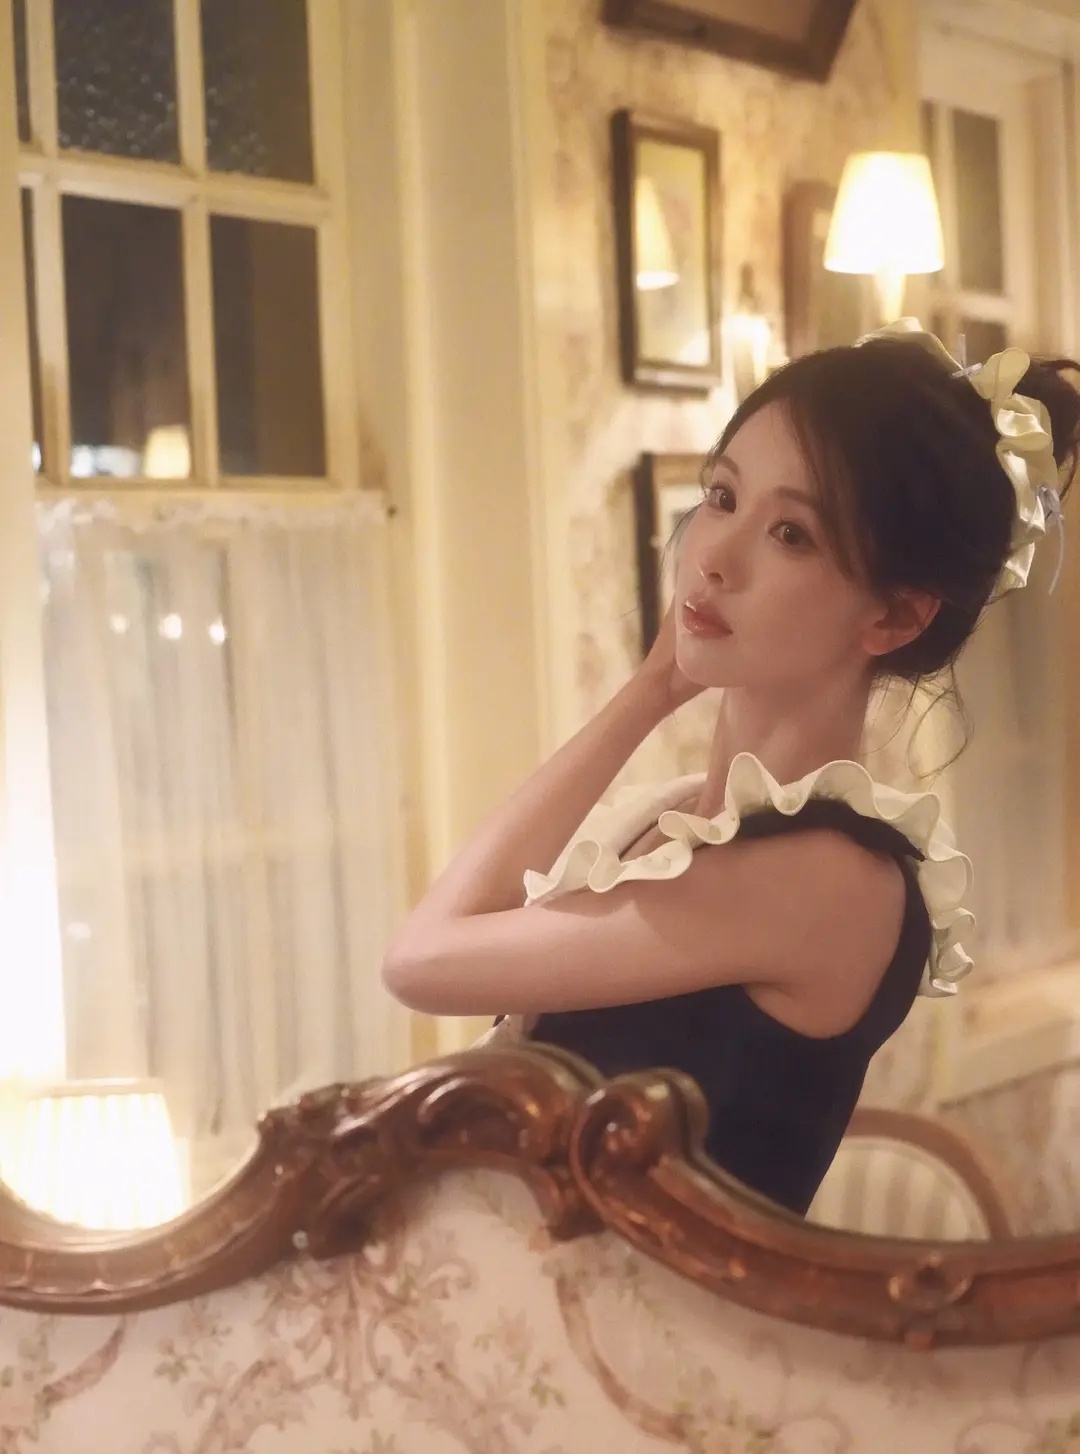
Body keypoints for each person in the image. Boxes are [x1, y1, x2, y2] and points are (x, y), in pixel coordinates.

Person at [381, 321, 1080, 1216]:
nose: (711, 556)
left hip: (651, 1313)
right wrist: (653, 688)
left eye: (791, 533)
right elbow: (448, 939)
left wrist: (649, 692)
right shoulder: (670, 821)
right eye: (721, 496)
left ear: (894, 618)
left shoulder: (825, 880)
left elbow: (422, 959)